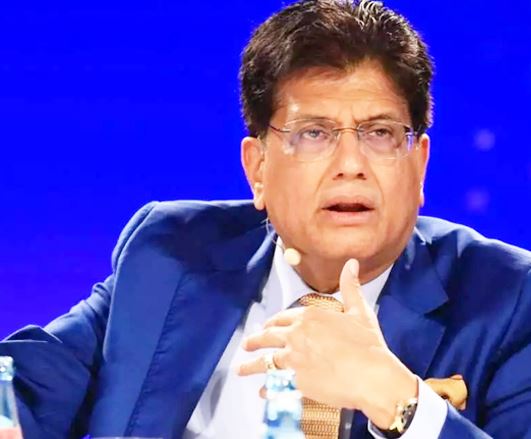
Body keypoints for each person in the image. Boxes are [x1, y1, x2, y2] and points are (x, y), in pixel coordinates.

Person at [2, 0, 530, 438]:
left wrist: (396, 397)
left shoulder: (508, 299)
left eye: (379, 134)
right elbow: (27, 383)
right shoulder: (171, 254)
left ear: (418, 166)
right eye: (314, 134)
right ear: (257, 169)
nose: (351, 165)